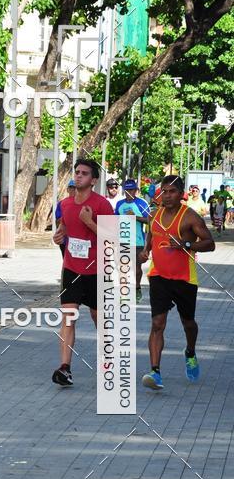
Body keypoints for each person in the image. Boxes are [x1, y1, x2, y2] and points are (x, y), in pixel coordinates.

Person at [140, 175, 215, 390]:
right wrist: (145, 252)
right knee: (157, 324)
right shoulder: (154, 215)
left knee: (188, 324)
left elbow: (210, 243)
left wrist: (186, 244)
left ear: (181, 194)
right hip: (159, 276)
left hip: (184, 278)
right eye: (164, 191)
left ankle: (190, 351)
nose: (167, 195)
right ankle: (155, 372)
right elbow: (151, 239)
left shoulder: (190, 217)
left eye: (172, 191)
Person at [51, 158, 115, 387]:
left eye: (84, 173)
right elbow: (64, 229)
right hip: (71, 269)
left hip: (97, 270)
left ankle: (109, 363)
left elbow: (114, 237)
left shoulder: (102, 205)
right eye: (76, 172)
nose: (78, 176)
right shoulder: (66, 204)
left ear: (93, 180)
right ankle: (65, 368)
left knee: (100, 320)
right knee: (69, 318)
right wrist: (58, 236)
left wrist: (89, 222)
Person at [115, 178, 151, 302]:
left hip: (138, 241)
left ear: (136, 190)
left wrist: (135, 217)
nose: (129, 192)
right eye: (127, 190)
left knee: (136, 268)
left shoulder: (141, 203)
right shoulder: (119, 204)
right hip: (122, 241)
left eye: (131, 190)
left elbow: (150, 220)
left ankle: (137, 288)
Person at [55, 179, 76, 258]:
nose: (73, 190)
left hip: (78, 241)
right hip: (65, 240)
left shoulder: (83, 203)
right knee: (66, 264)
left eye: (75, 188)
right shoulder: (61, 203)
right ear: (67, 189)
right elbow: (57, 221)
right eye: (71, 187)